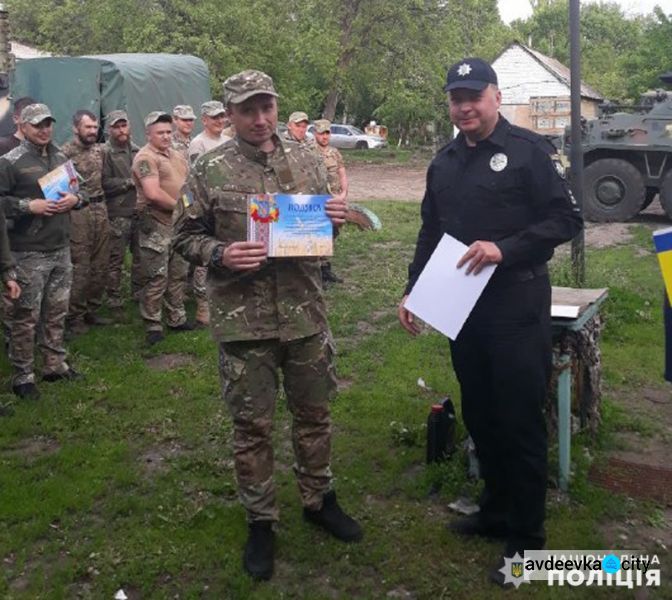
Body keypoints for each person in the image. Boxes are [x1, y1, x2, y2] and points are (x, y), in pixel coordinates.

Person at [398, 58, 583, 585]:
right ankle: (497, 509)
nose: (465, 106)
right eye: (457, 97)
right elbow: (430, 231)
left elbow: (567, 219)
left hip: (516, 308)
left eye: (474, 96)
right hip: (462, 310)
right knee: (480, 412)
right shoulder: (445, 160)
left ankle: (527, 541)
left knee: (520, 420)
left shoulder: (529, 152)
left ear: (496, 97)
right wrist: (413, 288)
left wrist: (505, 249)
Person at [174, 69, 362, 581]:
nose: (260, 120)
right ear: (229, 114)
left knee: (314, 413)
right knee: (252, 426)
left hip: (303, 314)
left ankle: (318, 498)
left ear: (277, 107)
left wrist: (334, 222)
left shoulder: (306, 158)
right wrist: (220, 252)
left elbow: (323, 235)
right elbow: (183, 236)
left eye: (267, 108)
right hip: (244, 322)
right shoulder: (208, 167)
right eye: (247, 110)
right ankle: (261, 520)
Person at [0, 103, 85, 399]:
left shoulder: (60, 157)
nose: (44, 129)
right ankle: (23, 375)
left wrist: (75, 200)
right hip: (28, 252)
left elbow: (79, 191)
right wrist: (27, 206)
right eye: (37, 125)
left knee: (56, 310)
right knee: (26, 316)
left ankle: (54, 364)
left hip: (60, 246)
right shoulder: (11, 162)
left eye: (48, 123)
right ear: (22, 127)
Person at [133, 111, 192, 345]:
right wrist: (181, 209)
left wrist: (189, 207)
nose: (166, 136)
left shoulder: (177, 155)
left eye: (168, 131)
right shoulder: (145, 158)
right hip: (156, 223)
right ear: (148, 134)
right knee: (156, 276)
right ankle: (153, 324)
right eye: (160, 133)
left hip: (178, 224)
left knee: (178, 273)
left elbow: (186, 185)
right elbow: (153, 193)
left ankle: (176, 317)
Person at [62, 110, 111, 336]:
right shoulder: (64, 153)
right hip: (78, 213)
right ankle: (73, 317)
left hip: (100, 210)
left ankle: (92, 308)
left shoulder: (100, 150)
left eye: (94, 127)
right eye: (87, 127)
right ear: (75, 128)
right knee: (80, 265)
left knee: (100, 263)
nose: (92, 131)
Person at [101, 110, 141, 321]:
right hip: (117, 212)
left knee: (140, 255)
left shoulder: (137, 150)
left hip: (138, 210)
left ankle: (137, 293)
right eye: (116, 126)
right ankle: (114, 298)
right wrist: (127, 183)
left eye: (124, 125)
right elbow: (102, 183)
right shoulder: (105, 152)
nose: (121, 130)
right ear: (109, 129)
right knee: (115, 257)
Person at [313, 119, 347, 285]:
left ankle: (326, 268)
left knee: (332, 233)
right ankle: (316, 270)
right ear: (315, 134)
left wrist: (344, 192)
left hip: (335, 199)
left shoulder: (334, 152)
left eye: (327, 133)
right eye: (321, 133)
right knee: (319, 233)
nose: (325, 136)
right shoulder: (309, 150)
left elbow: (342, 172)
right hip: (319, 201)